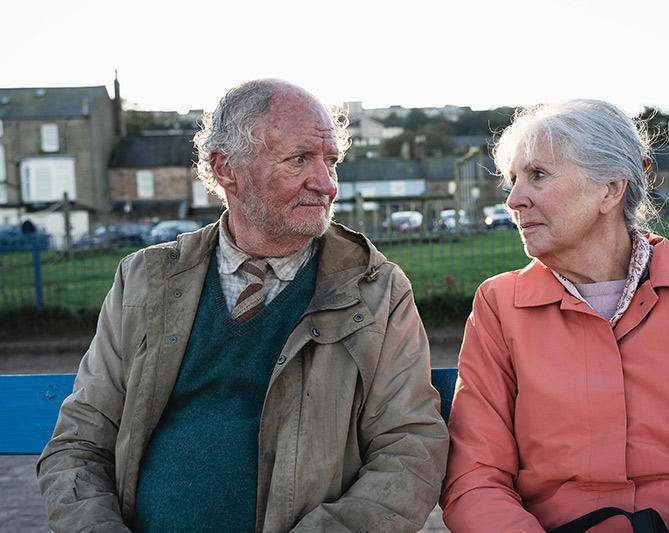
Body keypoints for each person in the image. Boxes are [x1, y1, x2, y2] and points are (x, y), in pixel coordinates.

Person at [37, 79, 449, 532]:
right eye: (299, 160)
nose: (326, 183)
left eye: (331, 161)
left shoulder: (376, 291)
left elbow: (411, 450)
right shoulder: (143, 282)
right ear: (225, 168)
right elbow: (78, 444)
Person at [440, 99, 669, 532]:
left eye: (537, 174)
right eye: (513, 180)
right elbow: (475, 479)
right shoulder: (499, 306)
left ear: (611, 189)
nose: (514, 200)